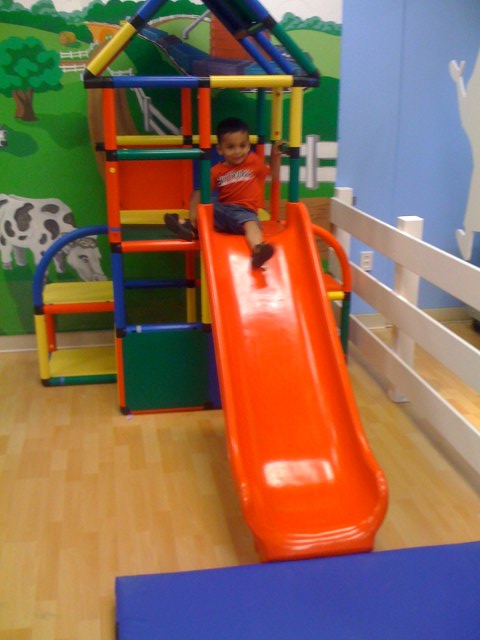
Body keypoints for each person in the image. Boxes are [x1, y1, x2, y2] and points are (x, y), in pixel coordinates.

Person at [165, 117, 284, 269]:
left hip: (244, 212)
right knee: (206, 205)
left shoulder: (253, 161)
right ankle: (189, 226)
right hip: (223, 210)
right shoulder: (216, 171)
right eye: (230, 147)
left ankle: (258, 249)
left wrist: (275, 156)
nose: (237, 151)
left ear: (248, 146)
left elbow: (273, 175)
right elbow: (201, 192)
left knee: (252, 225)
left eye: (242, 145)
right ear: (220, 149)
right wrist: (194, 211)